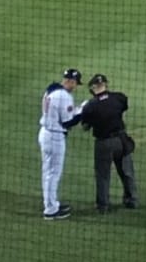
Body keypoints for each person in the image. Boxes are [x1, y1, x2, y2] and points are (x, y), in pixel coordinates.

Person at [69, 73, 138, 213]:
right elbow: (122, 108)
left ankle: (103, 206)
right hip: (121, 140)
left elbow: (85, 125)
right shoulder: (119, 98)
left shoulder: (90, 106)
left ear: (93, 88)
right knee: (126, 171)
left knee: (103, 175)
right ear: (106, 84)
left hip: (103, 143)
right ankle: (132, 200)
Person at [38, 68, 83, 219]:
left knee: (48, 173)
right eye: (75, 83)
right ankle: (50, 210)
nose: (75, 87)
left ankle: (51, 203)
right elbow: (68, 122)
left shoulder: (51, 89)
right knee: (52, 174)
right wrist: (82, 111)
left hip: (45, 133)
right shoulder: (64, 96)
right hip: (55, 137)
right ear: (71, 81)